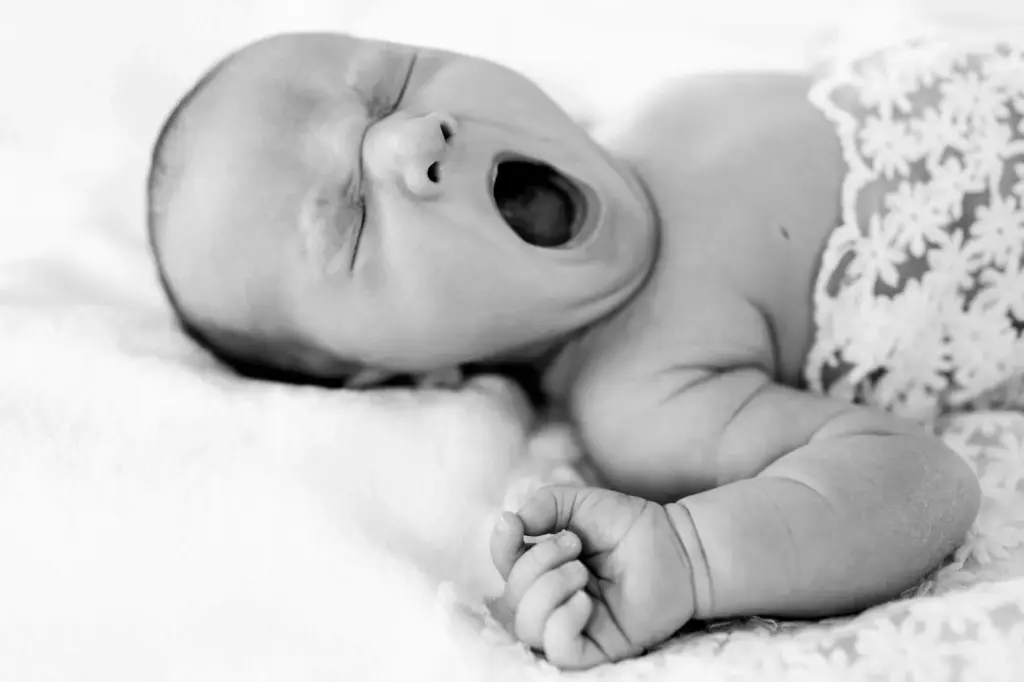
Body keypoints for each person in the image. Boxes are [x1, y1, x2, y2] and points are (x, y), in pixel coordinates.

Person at [146, 31, 1022, 668]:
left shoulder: (658, 108)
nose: (417, 136)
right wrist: (691, 556)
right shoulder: (648, 398)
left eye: (391, 81)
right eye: (354, 221)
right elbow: (921, 484)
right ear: (410, 377)